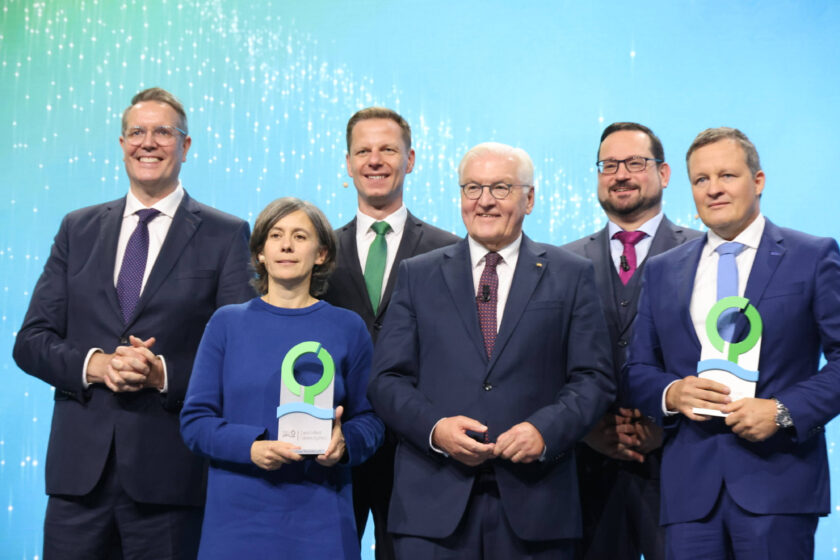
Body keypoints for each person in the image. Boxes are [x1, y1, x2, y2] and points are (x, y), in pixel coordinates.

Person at [12, 87, 254, 559]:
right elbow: (31, 341)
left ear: (185, 147)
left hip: (169, 479)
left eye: (163, 132)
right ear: (122, 144)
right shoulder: (76, 228)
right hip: (77, 481)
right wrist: (97, 365)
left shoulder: (226, 234)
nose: (149, 142)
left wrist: (162, 373)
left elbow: (240, 353)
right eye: (137, 132)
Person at [367, 142, 615, 558]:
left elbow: (594, 378)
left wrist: (544, 431)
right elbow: (387, 380)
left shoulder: (571, 274)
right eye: (472, 188)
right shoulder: (418, 275)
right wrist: (435, 429)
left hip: (537, 506)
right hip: (432, 508)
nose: (484, 201)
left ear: (529, 198)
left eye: (500, 188)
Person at [626, 127, 840, 559]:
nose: (714, 189)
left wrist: (782, 411)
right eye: (701, 180)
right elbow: (637, 369)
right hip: (689, 494)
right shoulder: (664, 269)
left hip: (778, 484)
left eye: (727, 175)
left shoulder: (811, 255)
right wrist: (672, 392)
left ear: (757, 182)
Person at [180, 197, 384, 559]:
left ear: (321, 254)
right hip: (237, 520)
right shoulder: (226, 324)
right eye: (276, 235)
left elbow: (371, 421)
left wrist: (345, 444)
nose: (287, 245)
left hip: (321, 518)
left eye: (300, 236)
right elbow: (195, 422)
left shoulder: (348, 327)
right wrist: (251, 447)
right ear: (260, 252)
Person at [323, 107, 458, 558]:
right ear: (348, 162)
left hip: (418, 447)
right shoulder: (318, 253)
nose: (375, 160)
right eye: (363, 150)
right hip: (337, 442)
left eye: (388, 149)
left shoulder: (449, 251)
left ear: (411, 159)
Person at [564, 122, 702, 560]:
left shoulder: (705, 253)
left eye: (635, 163)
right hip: (586, 478)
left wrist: (666, 429)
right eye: (609, 165)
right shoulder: (562, 262)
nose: (620, 174)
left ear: (663, 174)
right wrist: (587, 431)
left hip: (681, 469)